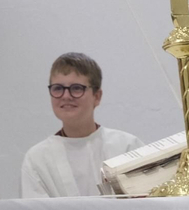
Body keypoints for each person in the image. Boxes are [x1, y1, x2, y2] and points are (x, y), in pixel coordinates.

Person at [20, 52, 143, 198]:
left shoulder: (127, 147)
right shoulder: (37, 159)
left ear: (97, 97)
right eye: (58, 88)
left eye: (76, 88)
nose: (66, 96)